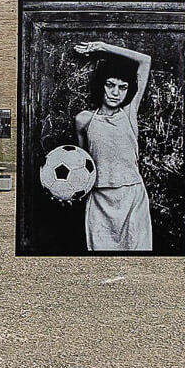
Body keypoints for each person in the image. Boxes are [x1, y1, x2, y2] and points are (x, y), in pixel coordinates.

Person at [73, 41, 153, 252]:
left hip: (132, 198)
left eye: (122, 87)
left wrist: (104, 47)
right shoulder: (84, 120)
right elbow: (82, 166)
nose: (116, 92)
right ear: (101, 85)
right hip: (99, 199)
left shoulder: (129, 114)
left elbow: (145, 61)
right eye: (110, 85)